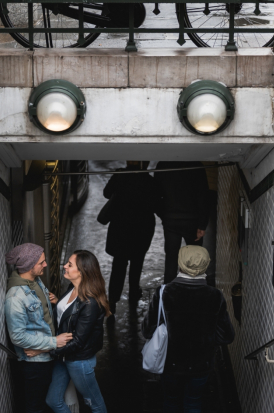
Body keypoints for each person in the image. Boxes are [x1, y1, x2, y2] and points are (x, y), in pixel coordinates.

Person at [141, 245, 235, 413]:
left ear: (180, 263)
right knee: (193, 402)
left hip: (170, 364)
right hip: (201, 364)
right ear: (206, 265)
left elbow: (147, 330)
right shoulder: (215, 296)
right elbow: (226, 336)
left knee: (171, 401)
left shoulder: (164, 292)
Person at [26, 250, 110, 413]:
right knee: (53, 400)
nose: (64, 266)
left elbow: (78, 341)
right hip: (64, 355)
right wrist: (59, 303)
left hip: (78, 361)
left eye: (70, 265)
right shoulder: (73, 287)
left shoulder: (90, 303)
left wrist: (43, 349)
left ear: (82, 271)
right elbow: (70, 315)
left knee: (95, 404)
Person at [5, 243, 73, 413]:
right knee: (36, 406)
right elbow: (18, 337)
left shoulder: (34, 281)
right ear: (29, 266)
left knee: (45, 401)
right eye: (41, 262)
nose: (45, 265)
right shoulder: (15, 298)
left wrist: (53, 302)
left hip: (44, 354)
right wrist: (53, 342)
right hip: (35, 364)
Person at [103, 161, 159, 314]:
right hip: (142, 229)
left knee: (119, 264)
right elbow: (156, 204)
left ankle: (113, 299)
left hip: (120, 226)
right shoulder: (149, 181)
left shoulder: (120, 175)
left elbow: (106, 193)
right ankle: (134, 293)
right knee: (137, 262)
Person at [154, 161, 210, 284]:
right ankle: (194, 292)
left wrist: (164, 215)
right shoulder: (196, 164)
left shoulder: (163, 165)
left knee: (171, 260)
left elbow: (156, 195)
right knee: (195, 260)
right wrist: (202, 224)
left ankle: (169, 294)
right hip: (193, 221)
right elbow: (203, 195)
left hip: (171, 220)